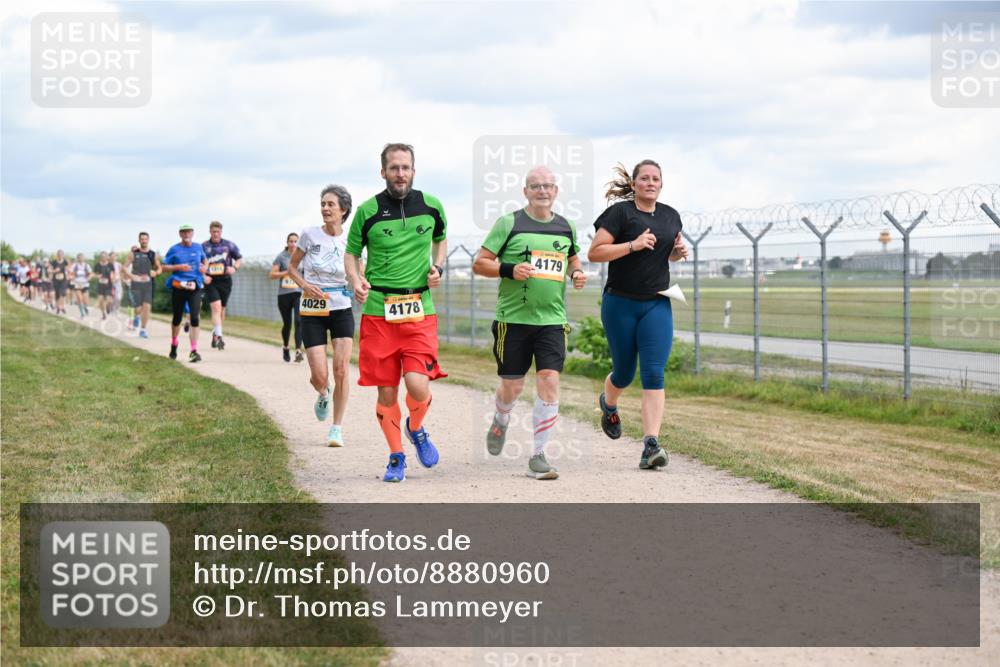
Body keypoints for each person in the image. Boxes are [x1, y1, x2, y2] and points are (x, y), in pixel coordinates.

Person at [472, 166, 587, 480]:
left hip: (552, 320)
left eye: (548, 185)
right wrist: (509, 269)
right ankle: (501, 417)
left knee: (549, 379)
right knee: (513, 385)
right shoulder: (509, 223)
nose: (542, 191)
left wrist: (576, 272)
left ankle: (538, 455)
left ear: (556, 191)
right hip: (513, 321)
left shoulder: (566, 226)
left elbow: (572, 258)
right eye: (536, 186)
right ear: (525, 191)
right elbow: (480, 264)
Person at [345, 143, 448, 483]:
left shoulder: (431, 206)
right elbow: (351, 253)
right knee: (386, 391)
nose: (400, 173)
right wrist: (356, 280)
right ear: (383, 172)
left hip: (419, 310)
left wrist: (438, 267)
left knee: (418, 386)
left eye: (405, 167)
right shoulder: (367, 211)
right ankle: (396, 456)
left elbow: (441, 239)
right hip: (379, 313)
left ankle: (415, 428)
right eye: (394, 168)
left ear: (413, 171)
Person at [587, 160, 688, 470]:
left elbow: (664, 254)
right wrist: (633, 245)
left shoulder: (671, 216)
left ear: (662, 184)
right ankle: (609, 404)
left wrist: (676, 253)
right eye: (644, 178)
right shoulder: (620, 213)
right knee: (624, 373)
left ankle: (651, 445)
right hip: (620, 303)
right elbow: (595, 253)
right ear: (634, 184)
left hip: (657, 302)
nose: (650, 183)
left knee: (654, 372)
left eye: (656, 178)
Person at [287, 186, 355, 447]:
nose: (325, 208)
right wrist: (305, 285)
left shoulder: (352, 240)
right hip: (313, 309)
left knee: (341, 370)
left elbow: (358, 273)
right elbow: (292, 268)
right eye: (323, 204)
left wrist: (360, 285)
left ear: (343, 210)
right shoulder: (309, 235)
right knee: (320, 376)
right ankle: (324, 393)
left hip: (341, 308)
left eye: (330, 204)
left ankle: (336, 428)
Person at [162, 223, 208, 362]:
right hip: (179, 287)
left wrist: (205, 267)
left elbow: (205, 260)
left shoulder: (198, 247)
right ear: (180, 234)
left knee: (195, 318)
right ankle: (174, 343)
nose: (187, 234)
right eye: (184, 232)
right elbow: (163, 267)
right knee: (177, 318)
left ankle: (194, 350)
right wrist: (178, 267)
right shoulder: (174, 249)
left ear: (192, 233)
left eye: (189, 232)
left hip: (195, 286)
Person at [202, 220, 242, 351]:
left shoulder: (228, 245)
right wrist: (203, 276)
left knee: (222, 309)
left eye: (218, 231)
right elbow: (197, 263)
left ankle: (216, 333)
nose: (215, 234)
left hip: (225, 280)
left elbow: (239, 258)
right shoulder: (204, 246)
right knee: (216, 307)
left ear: (221, 232)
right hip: (211, 281)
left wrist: (234, 268)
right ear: (210, 231)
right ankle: (219, 336)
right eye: (213, 231)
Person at [270, 233, 305, 363]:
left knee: (298, 321)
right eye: (291, 241)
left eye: (296, 241)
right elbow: (272, 274)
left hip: (298, 293)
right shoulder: (281, 257)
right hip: (284, 294)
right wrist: (287, 272)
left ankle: (298, 350)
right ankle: (285, 346)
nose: (293, 244)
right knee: (287, 323)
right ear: (287, 242)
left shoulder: (303, 256)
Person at [124, 232, 162, 338]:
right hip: (136, 284)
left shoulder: (153, 254)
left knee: (147, 307)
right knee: (138, 308)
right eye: (142, 239)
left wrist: (156, 273)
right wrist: (132, 276)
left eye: (145, 239)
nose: (144, 241)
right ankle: (137, 316)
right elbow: (124, 267)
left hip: (149, 284)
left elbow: (160, 268)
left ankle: (143, 329)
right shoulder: (133, 253)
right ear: (139, 240)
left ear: (148, 240)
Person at [93, 252, 117, 320]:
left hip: (109, 285)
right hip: (100, 285)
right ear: (100, 257)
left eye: (104, 256)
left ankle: (108, 306)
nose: (103, 257)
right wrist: (97, 276)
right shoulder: (97, 265)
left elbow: (113, 273)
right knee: (100, 300)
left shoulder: (110, 265)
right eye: (102, 256)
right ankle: (103, 313)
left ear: (107, 257)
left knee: (109, 300)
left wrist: (113, 278)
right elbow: (93, 274)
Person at [70, 253, 91, 318]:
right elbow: (71, 273)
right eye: (79, 257)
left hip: (85, 284)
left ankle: (85, 307)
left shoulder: (87, 265)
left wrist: (89, 278)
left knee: (85, 300)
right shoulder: (75, 265)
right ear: (77, 258)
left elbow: (90, 273)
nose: (80, 259)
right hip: (77, 284)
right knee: (79, 298)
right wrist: (72, 277)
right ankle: (82, 313)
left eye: (82, 257)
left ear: (84, 258)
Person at [50, 250, 70, 315]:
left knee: (62, 293)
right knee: (57, 294)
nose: (60, 255)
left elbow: (68, 269)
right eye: (59, 254)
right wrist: (54, 271)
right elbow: (49, 270)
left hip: (63, 280)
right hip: (55, 280)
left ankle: (62, 306)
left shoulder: (65, 262)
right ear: (57, 255)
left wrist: (68, 271)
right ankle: (58, 307)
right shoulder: (54, 262)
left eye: (61, 254)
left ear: (63, 255)